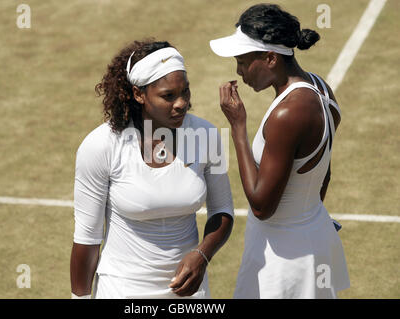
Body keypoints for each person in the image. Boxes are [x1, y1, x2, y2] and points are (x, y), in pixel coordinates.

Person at [70, 40, 234, 299]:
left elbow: (223, 210)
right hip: (122, 289)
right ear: (138, 94)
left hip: (189, 289)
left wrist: (202, 255)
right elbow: (87, 237)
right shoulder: (100, 145)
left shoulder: (207, 134)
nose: (181, 103)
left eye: (185, 92)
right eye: (168, 96)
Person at [209, 4, 350, 298]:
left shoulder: (289, 113)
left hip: (283, 259)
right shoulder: (321, 88)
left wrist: (237, 126)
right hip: (311, 238)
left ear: (271, 58)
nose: (238, 70)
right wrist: (306, 214)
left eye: (243, 61)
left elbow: (261, 206)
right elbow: (323, 173)